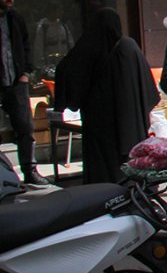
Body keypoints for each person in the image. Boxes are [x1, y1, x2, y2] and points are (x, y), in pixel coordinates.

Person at [55, 9, 158, 185]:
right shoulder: (130, 47)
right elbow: (148, 88)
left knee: (104, 172)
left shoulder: (89, 48)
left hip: (100, 125)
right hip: (131, 127)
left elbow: (66, 71)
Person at [0, 0, 48, 187]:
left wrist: (26, 73)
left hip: (16, 81)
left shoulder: (15, 18)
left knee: (25, 126)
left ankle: (30, 170)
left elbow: (26, 45)